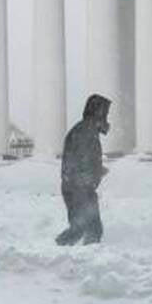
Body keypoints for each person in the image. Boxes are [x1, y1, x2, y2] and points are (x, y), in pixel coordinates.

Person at [55, 94, 111, 246]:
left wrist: (97, 170)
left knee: (81, 228)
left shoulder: (85, 129)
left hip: (77, 187)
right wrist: (90, 175)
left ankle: (59, 250)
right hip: (80, 189)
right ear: (98, 112)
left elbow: (79, 159)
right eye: (105, 113)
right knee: (89, 229)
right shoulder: (86, 132)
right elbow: (81, 162)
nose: (106, 118)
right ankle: (56, 251)